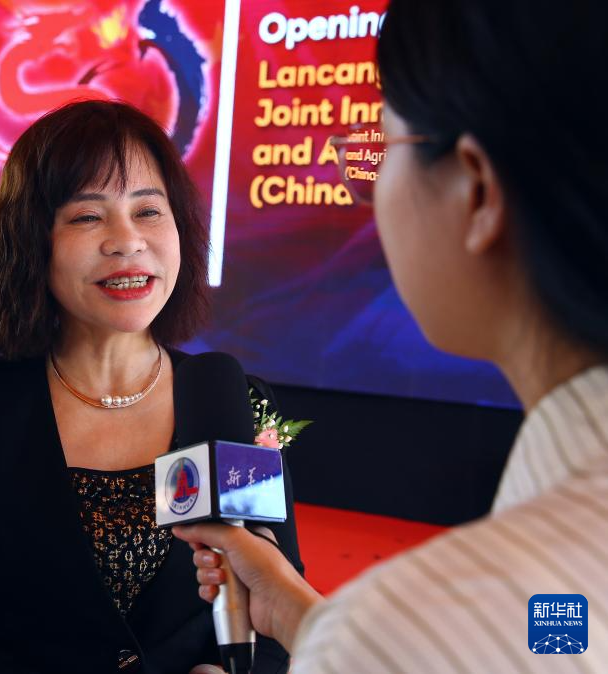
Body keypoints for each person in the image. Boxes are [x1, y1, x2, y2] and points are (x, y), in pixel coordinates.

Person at [175, 0, 608, 671]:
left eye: (382, 143)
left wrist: (353, 642)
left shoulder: (399, 629)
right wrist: (302, 615)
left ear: (475, 191)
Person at [0, 100, 304, 673]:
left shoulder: (230, 399)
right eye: (86, 217)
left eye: (149, 210)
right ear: (34, 243)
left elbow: (275, 601)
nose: (127, 241)